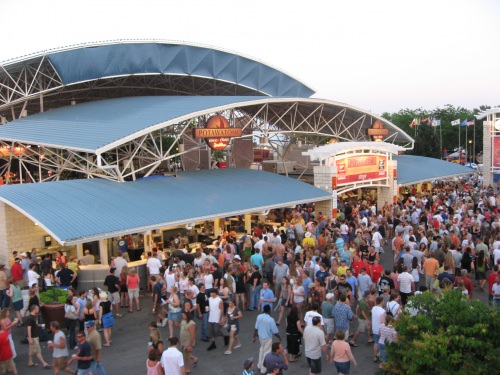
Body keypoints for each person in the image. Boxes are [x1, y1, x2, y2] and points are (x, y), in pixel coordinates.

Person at [253, 304, 280, 375]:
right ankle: (263, 368)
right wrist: (279, 337)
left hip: (260, 337)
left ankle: (259, 365)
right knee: (266, 353)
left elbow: (256, 328)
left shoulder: (259, 317)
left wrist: (254, 337)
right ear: (269, 310)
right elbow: (275, 331)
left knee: (261, 350)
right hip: (268, 338)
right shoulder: (271, 320)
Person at [26, 304, 50, 368]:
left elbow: (35, 325)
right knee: (37, 350)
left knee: (31, 350)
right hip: (33, 337)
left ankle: (30, 362)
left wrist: (40, 326)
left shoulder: (34, 317)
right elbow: (28, 328)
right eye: (37, 309)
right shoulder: (30, 318)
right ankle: (44, 363)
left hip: (34, 336)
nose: (38, 310)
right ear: (34, 310)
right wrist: (30, 338)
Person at [371, 296, 386, 363]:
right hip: (380, 329)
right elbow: (382, 321)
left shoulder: (373, 308)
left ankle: (375, 356)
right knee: (382, 343)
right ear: (382, 302)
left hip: (374, 328)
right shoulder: (382, 311)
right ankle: (381, 356)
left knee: (376, 342)